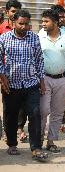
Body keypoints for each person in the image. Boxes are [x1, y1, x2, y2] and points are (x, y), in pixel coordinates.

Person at [0, 9, 48, 161]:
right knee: (10, 115)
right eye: (21, 23)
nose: (24, 27)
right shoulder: (4, 38)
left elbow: (40, 60)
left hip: (31, 84)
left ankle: (36, 148)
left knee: (35, 114)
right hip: (11, 85)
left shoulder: (34, 38)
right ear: (13, 22)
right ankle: (12, 144)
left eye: (27, 24)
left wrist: (41, 80)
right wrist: (2, 77)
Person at [39, 9, 65, 153]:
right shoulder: (40, 35)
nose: (43, 24)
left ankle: (50, 142)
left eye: (46, 21)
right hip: (44, 79)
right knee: (43, 110)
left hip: (62, 79)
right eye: (42, 21)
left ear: (55, 22)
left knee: (57, 112)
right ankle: (38, 140)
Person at [0, 0, 29, 143]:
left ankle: (20, 128)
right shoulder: (1, 29)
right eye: (12, 11)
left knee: (23, 105)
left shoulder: (25, 29)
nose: (15, 14)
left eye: (17, 11)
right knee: (8, 105)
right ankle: (7, 131)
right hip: (4, 73)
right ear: (7, 13)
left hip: (22, 73)